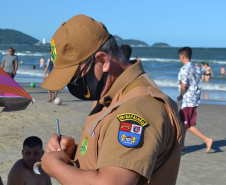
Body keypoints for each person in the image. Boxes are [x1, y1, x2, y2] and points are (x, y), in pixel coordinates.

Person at [40, 14, 182, 185]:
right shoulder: (113, 94)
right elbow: (109, 163)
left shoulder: (137, 107)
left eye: (74, 77)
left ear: (102, 60)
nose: (70, 85)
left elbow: (112, 182)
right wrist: (75, 154)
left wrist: (53, 166)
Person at [177, 47, 213, 153]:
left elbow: (184, 85)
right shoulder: (195, 68)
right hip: (194, 98)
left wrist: (181, 95)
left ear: (182, 56)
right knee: (182, 122)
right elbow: (196, 84)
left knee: (187, 124)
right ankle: (181, 145)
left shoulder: (185, 68)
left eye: (180, 57)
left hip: (188, 100)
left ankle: (207, 140)